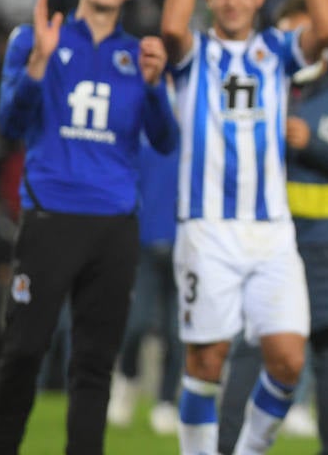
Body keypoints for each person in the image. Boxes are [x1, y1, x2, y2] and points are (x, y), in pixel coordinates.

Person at [162, 0, 328, 455]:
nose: (233, 1)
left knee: (288, 359)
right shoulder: (194, 53)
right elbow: (169, 30)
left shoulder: (275, 50)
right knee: (207, 360)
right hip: (207, 228)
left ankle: (248, 450)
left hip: (271, 232)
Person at [0, 0, 178, 455]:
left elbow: (165, 141)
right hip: (51, 218)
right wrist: (37, 68)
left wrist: (156, 88)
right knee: (24, 349)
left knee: (94, 364)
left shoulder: (138, 55)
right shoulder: (34, 39)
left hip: (114, 228)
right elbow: (10, 122)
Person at [219, 0, 328, 455]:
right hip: (266, 235)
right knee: (249, 345)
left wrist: (311, 145)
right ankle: (227, 447)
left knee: (326, 350)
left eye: (307, 36)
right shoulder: (261, 83)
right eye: (290, 38)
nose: (300, 46)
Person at [108, 135, 182, 437]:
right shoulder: (139, 136)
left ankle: (166, 402)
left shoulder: (191, 134)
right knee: (136, 324)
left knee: (176, 333)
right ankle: (127, 379)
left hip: (185, 250)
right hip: (144, 246)